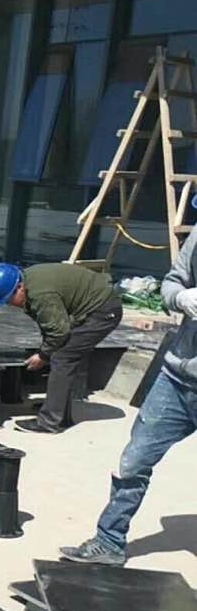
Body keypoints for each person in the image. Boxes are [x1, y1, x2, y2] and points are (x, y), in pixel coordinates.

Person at [60, 227, 197, 564]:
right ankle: (109, 541)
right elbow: (171, 283)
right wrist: (180, 297)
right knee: (134, 461)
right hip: (177, 378)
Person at [0, 260, 123, 433]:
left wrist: (43, 355)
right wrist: (47, 349)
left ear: (19, 287)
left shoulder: (40, 294)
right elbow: (51, 325)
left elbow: (59, 332)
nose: (9, 304)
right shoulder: (31, 283)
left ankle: (49, 422)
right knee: (61, 353)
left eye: (9, 299)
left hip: (102, 311)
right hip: (94, 306)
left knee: (63, 357)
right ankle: (58, 411)